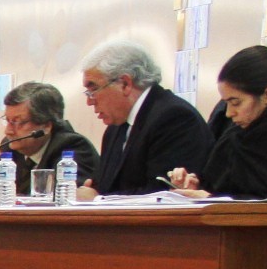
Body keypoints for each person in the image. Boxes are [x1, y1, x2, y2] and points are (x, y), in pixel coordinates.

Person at [169, 46, 267, 200]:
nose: (229, 113)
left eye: (236, 103)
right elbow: (232, 189)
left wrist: (211, 198)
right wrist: (196, 186)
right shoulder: (243, 127)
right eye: (226, 103)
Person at [80, 41, 212, 196]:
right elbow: (104, 186)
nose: (89, 101)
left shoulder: (174, 118)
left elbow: (163, 194)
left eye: (94, 90)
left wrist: (98, 200)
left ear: (125, 84)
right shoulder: (115, 128)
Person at [0, 81, 99, 189]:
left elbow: (58, 200)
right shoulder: (12, 148)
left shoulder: (73, 148)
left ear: (46, 126)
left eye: (18, 122)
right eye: (7, 121)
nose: (8, 131)